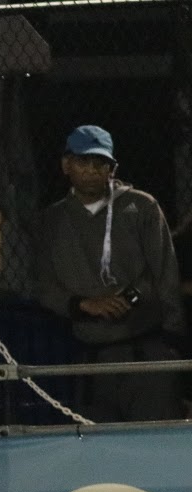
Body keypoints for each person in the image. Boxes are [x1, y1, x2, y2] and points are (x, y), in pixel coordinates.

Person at [34, 124, 186, 422]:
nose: (91, 170)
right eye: (82, 161)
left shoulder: (140, 206)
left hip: (147, 350)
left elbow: (164, 273)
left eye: (100, 163)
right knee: (99, 447)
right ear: (66, 165)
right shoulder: (52, 221)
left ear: (112, 168)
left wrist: (172, 342)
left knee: (158, 440)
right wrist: (82, 304)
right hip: (92, 357)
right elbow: (44, 285)